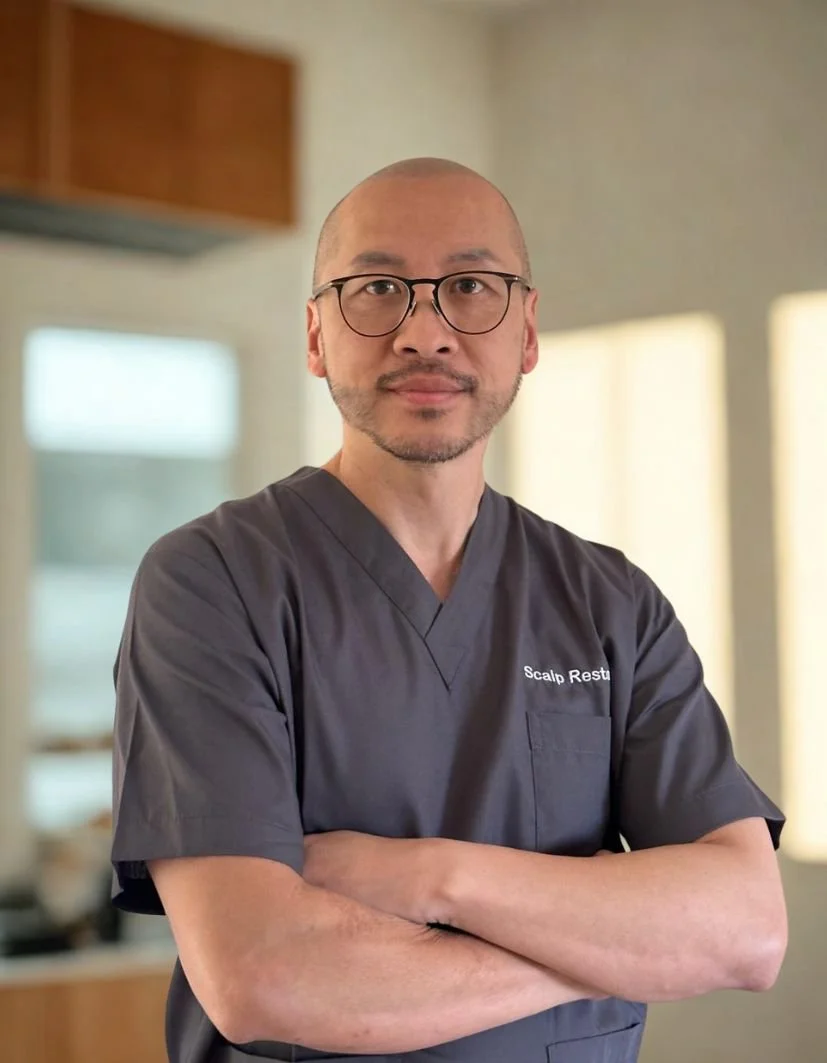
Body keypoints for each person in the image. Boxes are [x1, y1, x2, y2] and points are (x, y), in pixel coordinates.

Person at [110, 158, 788, 1063]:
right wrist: (617, 945)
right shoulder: (213, 581)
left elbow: (743, 929)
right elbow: (264, 976)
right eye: (378, 289)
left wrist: (431, 877)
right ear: (315, 337)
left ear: (528, 331)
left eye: (470, 287)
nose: (424, 333)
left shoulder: (611, 603)